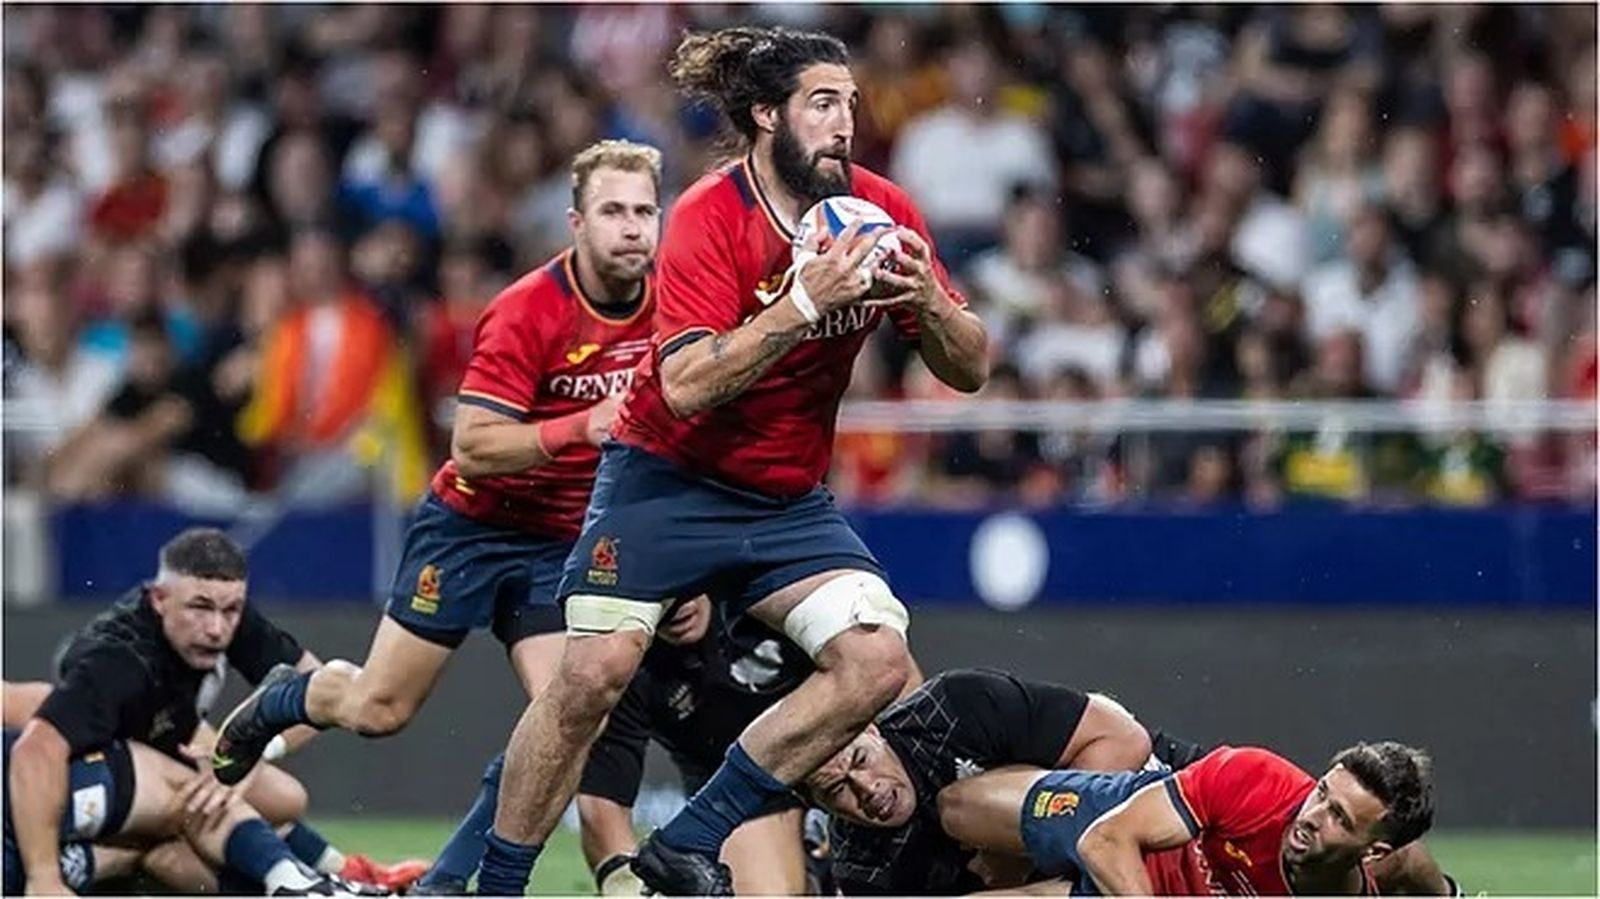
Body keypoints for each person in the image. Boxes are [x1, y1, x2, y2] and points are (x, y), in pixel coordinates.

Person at [472, 25, 988, 896]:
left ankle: (691, 837)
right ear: (765, 115)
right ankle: (496, 884)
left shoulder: (883, 213)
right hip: (665, 477)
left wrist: (931, 300)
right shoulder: (710, 215)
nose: (843, 125)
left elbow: (970, 367)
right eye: (822, 104)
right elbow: (683, 387)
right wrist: (798, 306)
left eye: (850, 106)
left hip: (784, 498)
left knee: (878, 664)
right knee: (591, 675)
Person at [207, 140, 664, 890]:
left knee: (568, 716)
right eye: (614, 211)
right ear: (576, 222)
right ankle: (288, 697)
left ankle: (448, 879)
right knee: (379, 708)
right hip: (470, 527)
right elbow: (474, 445)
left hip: (562, 543)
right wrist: (576, 429)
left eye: (645, 211)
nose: (632, 228)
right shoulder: (527, 310)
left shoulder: (674, 301)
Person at [4, 528, 398, 895]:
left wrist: (257, 749)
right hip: (101, 753)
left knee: (281, 797)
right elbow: (36, 749)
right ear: (159, 599)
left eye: (230, 610)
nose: (216, 628)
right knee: (188, 802)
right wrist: (44, 878)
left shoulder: (225, 616)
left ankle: (342, 874)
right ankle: (302, 883)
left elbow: (319, 688)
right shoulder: (117, 660)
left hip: (157, 738)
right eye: (200, 607)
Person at [805, 668, 1201, 895]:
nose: (867, 788)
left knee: (959, 807)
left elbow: (1123, 740)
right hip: (1088, 880)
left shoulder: (953, 708)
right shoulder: (864, 870)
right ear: (819, 807)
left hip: (1167, 800)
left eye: (861, 760)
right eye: (836, 791)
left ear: (873, 730)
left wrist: (1014, 848)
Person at [935, 741, 1444, 896]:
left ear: (1373, 850)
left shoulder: (1377, 868)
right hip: (1127, 820)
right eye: (1321, 792)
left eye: (1337, 816)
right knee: (952, 807)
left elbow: (1407, 861)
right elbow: (1106, 840)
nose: (1311, 816)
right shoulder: (1256, 778)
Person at [576, 599, 817, 896]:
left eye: (683, 585)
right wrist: (625, 884)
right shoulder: (622, 664)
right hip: (731, 790)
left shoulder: (765, 592)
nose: (677, 607)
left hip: (832, 747)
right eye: (660, 595)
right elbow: (603, 802)